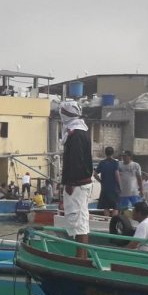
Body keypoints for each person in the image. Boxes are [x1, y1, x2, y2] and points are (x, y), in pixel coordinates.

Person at [60, 101, 93, 258]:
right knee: (81, 219)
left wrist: (71, 182)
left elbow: (76, 161)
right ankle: (81, 255)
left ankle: (81, 257)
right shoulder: (79, 131)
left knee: (79, 220)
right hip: (79, 183)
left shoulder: (76, 134)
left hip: (77, 184)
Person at [94, 147, 120, 216]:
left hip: (105, 188)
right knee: (116, 207)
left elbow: (95, 174)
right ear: (113, 153)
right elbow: (117, 175)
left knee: (106, 207)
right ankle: (114, 222)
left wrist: (101, 181)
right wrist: (120, 186)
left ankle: (107, 222)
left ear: (105, 153)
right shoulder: (115, 163)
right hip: (114, 188)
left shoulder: (102, 163)